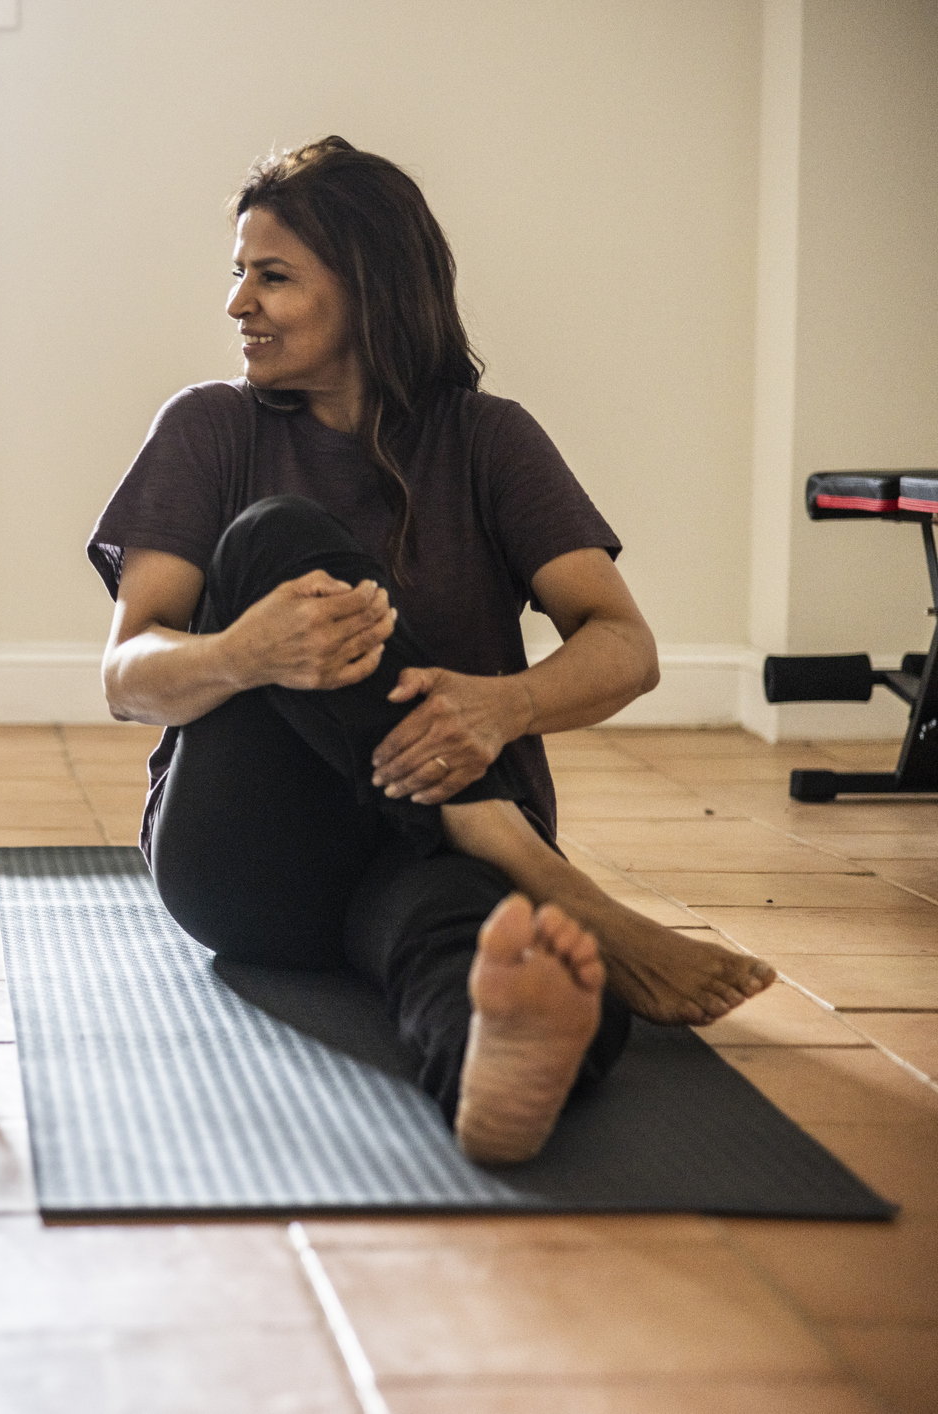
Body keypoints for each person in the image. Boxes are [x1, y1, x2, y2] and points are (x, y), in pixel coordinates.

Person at [91, 137, 776, 1165]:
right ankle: (522, 856)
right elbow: (124, 675)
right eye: (237, 273)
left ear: (368, 290)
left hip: (413, 856)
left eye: (270, 276)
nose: (238, 303)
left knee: (509, 959)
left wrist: (500, 707)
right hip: (249, 851)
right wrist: (242, 652)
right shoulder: (208, 429)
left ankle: (493, 1072)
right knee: (277, 539)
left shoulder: (486, 439)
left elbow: (622, 645)